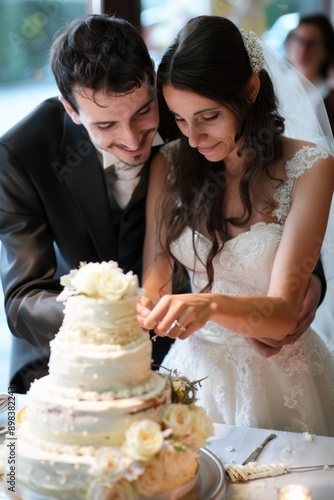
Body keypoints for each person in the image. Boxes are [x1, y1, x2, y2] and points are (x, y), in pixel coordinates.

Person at [0, 14, 326, 395]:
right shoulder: (24, 153)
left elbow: (277, 205)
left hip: (185, 346)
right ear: (71, 110)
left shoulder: (190, 111)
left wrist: (309, 283)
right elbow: (23, 297)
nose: (133, 140)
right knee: (19, 444)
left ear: (152, 79)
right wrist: (103, 312)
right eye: (105, 125)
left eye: (143, 113)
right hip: (66, 352)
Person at [137, 16, 334, 435]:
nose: (193, 137)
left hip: (283, 378)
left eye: (208, 116)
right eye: (180, 118)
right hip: (191, 373)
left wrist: (206, 305)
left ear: (250, 89)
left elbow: (282, 313)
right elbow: (155, 268)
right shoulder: (168, 163)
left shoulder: (311, 166)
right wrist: (150, 304)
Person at [285, 13, 334, 129]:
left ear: (326, 50)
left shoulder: (329, 99)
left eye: (311, 43)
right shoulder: (272, 84)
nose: (302, 49)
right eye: (297, 39)